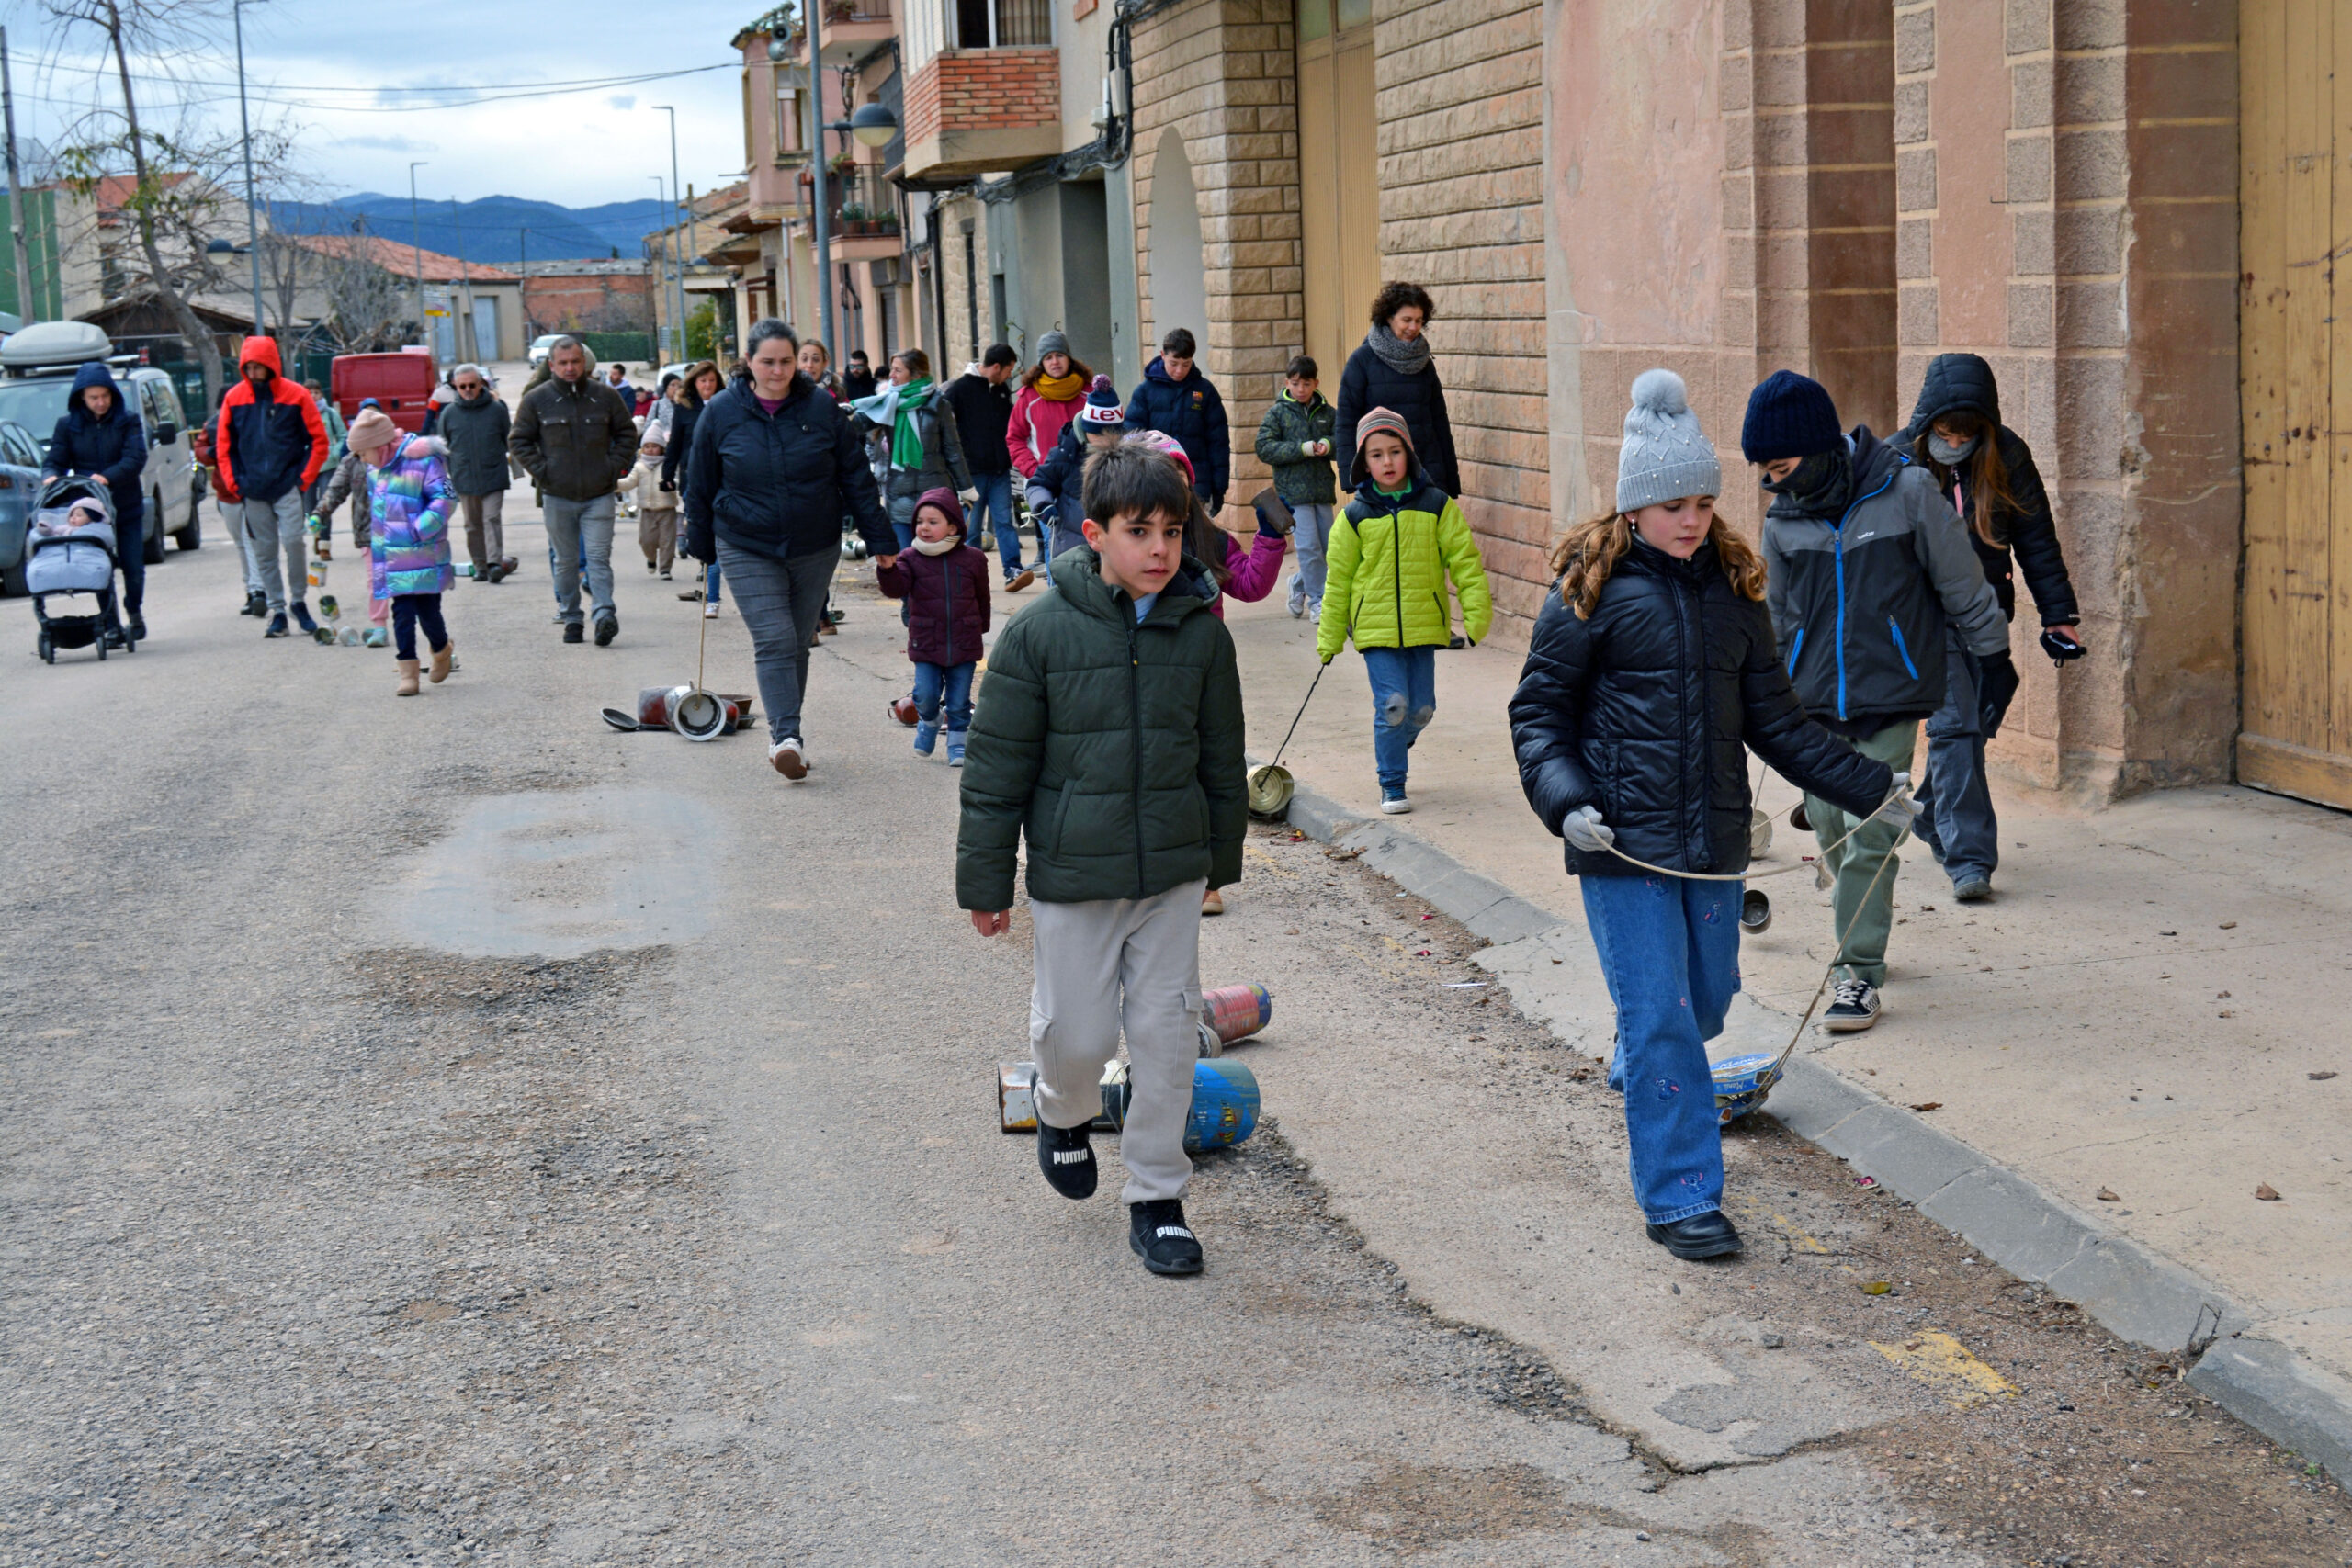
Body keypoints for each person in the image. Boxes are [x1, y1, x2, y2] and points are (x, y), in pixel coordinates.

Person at [1508, 368, 1913, 1261]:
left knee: (1709, 1004)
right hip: (1620, 848)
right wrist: (1565, 802)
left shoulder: (1734, 595)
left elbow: (1775, 723)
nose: (1689, 518)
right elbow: (1536, 717)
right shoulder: (1588, 595)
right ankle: (1683, 1194)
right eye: (1670, 504)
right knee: (1660, 1020)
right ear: (1632, 511)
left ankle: (1644, 1058)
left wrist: (1870, 788)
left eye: (1701, 500)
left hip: (1712, 848)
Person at [957, 441, 1246, 1279]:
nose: (1160, 548)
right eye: (1138, 530)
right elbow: (995, 768)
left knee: (1164, 1037)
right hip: (1075, 875)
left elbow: (1220, 758)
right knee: (1077, 1036)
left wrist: (1217, 861)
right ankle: (1061, 1108)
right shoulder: (1039, 633)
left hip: (1170, 876)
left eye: (1172, 530)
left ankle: (1157, 1197)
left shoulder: (1201, 635)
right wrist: (986, 880)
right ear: (1093, 533)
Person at [1741, 367, 2008, 1033]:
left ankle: (1856, 971)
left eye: (1779, 466)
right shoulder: (1783, 521)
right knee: (1831, 826)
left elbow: (1962, 582)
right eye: (1764, 472)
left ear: (1817, 446)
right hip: (1813, 702)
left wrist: (1994, 657)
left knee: (1871, 832)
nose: (1772, 483)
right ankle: (1857, 898)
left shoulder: (1908, 491)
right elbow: (1774, 617)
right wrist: (1760, 690)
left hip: (1894, 693)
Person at [1899, 353, 2085, 902]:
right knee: (1955, 726)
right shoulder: (1897, 457)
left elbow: (2037, 541)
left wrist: (2059, 616)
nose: (1954, 443)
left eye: (1965, 434)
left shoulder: (2007, 455)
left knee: (1975, 721)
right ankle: (1970, 859)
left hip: (1983, 614)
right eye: (1944, 432)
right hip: (1922, 617)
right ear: (1928, 422)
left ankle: (1932, 813)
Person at [682, 318, 894, 781]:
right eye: (767, 362)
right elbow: (699, 481)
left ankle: (787, 734)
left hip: (814, 543)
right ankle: (786, 737)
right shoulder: (721, 411)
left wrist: (881, 540)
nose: (777, 372)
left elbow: (855, 476)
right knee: (775, 639)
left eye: (785, 361)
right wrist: (700, 542)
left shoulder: (821, 408)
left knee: (798, 642)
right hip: (745, 541)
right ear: (748, 362)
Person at [1316, 408, 1493, 816]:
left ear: (1408, 455)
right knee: (1393, 705)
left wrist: (1475, 613)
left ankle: (1399, 738)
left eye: (1395, 451)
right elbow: (1338, 580)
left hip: (1423, 624)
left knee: (1421, 710)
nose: (1387, 462)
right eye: (1376, 455)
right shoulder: (1353, 517)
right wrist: (1329, 638)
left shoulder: (1436, 505)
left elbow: (1464, 561)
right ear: (1364, 463)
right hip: (1375, 631)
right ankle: (1392, 783)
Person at [510, 335, 638, 646]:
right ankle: (571, 616)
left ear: (585, 363)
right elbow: (518, 441)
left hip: (599, 494)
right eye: (563, 363)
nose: (570, 368)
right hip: (558, 495)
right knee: (566, 561)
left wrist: (613, 467)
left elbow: (626, 433)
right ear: (552, 365)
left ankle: (604, 613)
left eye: (575, 362)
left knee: (597, 557)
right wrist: (543, 472)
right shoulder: (536, 400)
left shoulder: (605, 397)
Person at [218, 336, 331, 640]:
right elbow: (224, 448)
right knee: (264, 552)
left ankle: (298, 601)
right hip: (252, 490)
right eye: (249, 368)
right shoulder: (234, 398)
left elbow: (319, 441)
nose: (254, 373)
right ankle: (278, 610)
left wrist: (302, 480)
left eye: (259, 367)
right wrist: (235, 485)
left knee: (294, 542)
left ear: (272, 366)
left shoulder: (296, 395)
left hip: (287, 487)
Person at [346, 406, 458, 697]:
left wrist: (420, 529)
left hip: (423, 553)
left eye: (363, 452)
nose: (361, 459)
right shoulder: (375, 471)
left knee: (429, 613)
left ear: (379, 445)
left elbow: (445, 497)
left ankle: (441, 648)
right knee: (403, 614)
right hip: (395, 557)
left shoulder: (423, 460)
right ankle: (408, 670)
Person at [875, 487, 989, 763]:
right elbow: (896, 588)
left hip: (964, 640)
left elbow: (982, 596)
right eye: (920, 522)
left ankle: (958, 743)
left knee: (959, 700)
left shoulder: (973, 558)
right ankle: (929, 720)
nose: (924, 528)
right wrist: (887, 569)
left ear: (953, 525)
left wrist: (980, 627)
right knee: (925, 695)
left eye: (933, 522)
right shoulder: (909, 558)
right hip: (926, 640)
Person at [42, 362, 148, 646]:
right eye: (93, 397)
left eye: (105, 396)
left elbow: (136, 458)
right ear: (82, 398)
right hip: (92, 512)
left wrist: (108, 478)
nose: (101, 402)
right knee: (100, 568)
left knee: (134, 568)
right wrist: (50, 476)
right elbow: (55, 460)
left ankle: (134, 610)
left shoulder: (128, 421)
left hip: (125, 506)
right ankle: (111, 623)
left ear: (113, 394)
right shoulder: (68, 426)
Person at [1333, 281, 1460, 500]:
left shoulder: (1424, 363)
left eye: (1419, 321)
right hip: (1383, 475)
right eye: (1407, 320)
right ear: (1389, 318)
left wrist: (1449, 478)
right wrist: (1350, 476)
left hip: (1427, 472)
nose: (1413, 327)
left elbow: (1439, 421)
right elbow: (1346, 421)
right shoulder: (1362, 361)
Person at [849, 347, 973, 550]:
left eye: (898, 370)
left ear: (916, 374)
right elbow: (860, 424)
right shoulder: (888, 402)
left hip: (935, 499)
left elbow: (953, 451)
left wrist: (966, 490)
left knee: (934, 567)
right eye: (892, 369)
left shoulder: (939, 404)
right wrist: (843, 415)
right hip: (899, 499)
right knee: (906, 564)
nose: (891, 375)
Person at [1254, 353, 1338, 620]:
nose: (1301, 389)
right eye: (1295, 383)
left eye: (1306, 384)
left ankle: (1299, 583)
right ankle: (1317, 601)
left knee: (1329, 549)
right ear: (1287, 382)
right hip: (1293, 495)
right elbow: (1264, 448)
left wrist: (1329, 445)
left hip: (1322, 492)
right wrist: (1300, 449)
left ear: (1316, 383)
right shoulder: (1277, 413)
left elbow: (1343, 442)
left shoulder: (1327, 413)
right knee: (1309, 547)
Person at [946, 343, 1031, 589]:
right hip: (971, 474)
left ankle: (1013, 570)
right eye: (1009, 370)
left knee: (1004, 522)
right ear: (996, 367)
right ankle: (968, 575)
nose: (1009, 375)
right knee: (971, 527)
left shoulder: (1001, 390)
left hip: (999, 471)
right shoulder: (960, 390)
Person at [1026, 376, 1127, 573]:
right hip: (1071, 553)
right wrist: (1043, 505)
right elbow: (1037, 484)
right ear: (1085, 429)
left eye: (1112, 434)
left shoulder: (1130, 457)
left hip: (1115, 552)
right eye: (1098, 434)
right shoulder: (1064, 454)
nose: (1104, 441)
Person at [1125, 327, 1228, 513]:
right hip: (1155, 486)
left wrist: (1219, 489)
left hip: (1197, 486)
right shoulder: (1144, 392)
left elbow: (1218, 443)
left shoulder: (1205, 391)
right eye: (1174, 363)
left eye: (1186, 364)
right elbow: (1131, 440)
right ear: (1162, 355)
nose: (1179, 371)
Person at [311, 424, 389, 647]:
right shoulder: (352, 462)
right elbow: (334, 491)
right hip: (368, 531)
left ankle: (413, 625)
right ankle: (380, 626)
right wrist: (319, 514)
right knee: (377, 580)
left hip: (400, 530)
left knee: (406, 582)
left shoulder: (396, 457)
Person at [438, 364, 514, 584]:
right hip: (464, 478)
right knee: (472, 525)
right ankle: (480, 566)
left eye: (472, 385)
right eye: (463, 386)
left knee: (491, 518)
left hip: (493, 475)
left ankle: (494, 564)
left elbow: (508, 439)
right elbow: (443, 448)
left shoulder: (497, 409)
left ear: (481, 383)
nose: (468, 389)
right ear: (456, 386)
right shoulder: (449, 414)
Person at [1006, 330, 1091, 483]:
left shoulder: (1089, 394)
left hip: (1085, 481)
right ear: (1041, 363)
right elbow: (1015, 439)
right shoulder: (1029, 398)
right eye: (1048, 358)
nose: (1055, 362)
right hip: (1045, 482)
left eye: (1059, 355)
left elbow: (1108, 433)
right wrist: (1034, 470)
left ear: (1069, 358)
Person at [619, 434, 677, 578]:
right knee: (646, 541)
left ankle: (665, 569)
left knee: (667, 541)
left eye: (654, 446)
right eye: (647, 446)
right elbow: (630, 482)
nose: (650, 450)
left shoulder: (668, 464)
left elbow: (677, 480)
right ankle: (651, 559)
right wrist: (614, 484)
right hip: (647, 510)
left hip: (667, 508)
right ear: (642, 449)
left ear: (662, 448)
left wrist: (672, 484)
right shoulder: (639, 466)